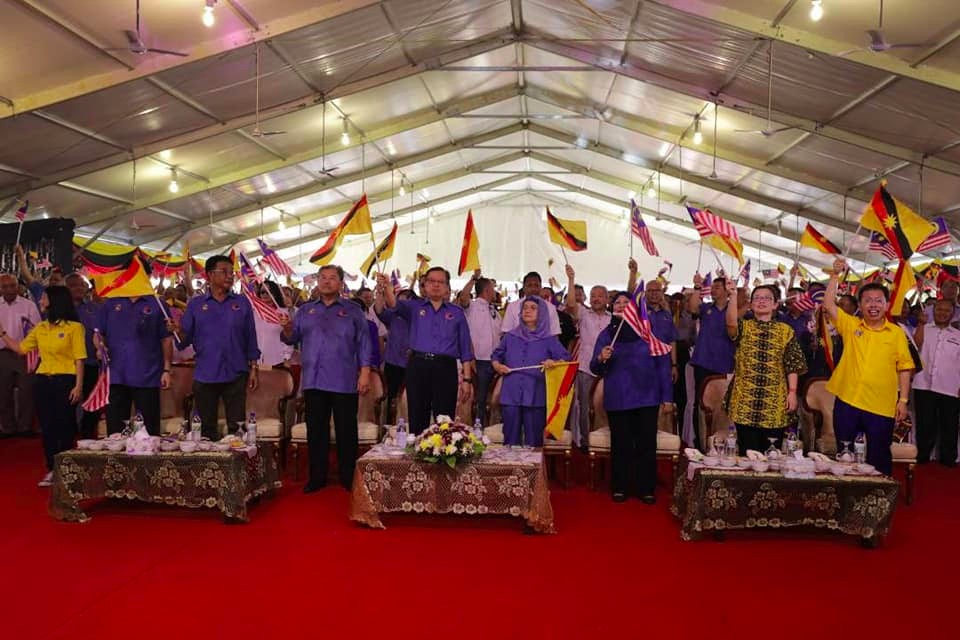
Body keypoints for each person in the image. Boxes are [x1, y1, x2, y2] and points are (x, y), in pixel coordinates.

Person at [281, 265, 373, 492]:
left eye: (332, 278)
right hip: (314, 379)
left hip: (344, 380)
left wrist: (365, 373)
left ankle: (348, 476)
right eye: (322, 277)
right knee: (316, 430)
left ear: (341, 283)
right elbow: (291, 338)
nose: (326, 281)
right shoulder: (306, 310)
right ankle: (317, 477)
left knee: (346, 430)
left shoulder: (353, 310)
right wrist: (287, 329)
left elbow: (364, 343)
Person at [823, 258, 915, 475]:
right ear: (860, 305)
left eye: (878, 301)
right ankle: (849, 491)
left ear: (887, 305)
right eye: (868, 301)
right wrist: (835, 276)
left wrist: (903, 401)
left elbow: (904, 367)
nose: (873, 305)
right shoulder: (851, 325)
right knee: (845, 454)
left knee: (879, 456)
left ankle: (879, 493)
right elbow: (828, 305)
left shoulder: (896, 333)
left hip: (881, 405)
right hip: (848, 400)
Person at [591, 291, 673, 504]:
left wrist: (667, 397)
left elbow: (663, 366)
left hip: (647, 396)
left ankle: (646, 488)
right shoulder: (607, 334)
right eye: (617, 303)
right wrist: (601, 357)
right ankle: (621, 486)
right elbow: (595, 368)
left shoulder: (649, 331)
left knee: (646, 444)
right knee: (621, 444)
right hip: (618, 397)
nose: (621, 305)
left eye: (626, 302)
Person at [0, 286, 85, 487]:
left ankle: (66, 468)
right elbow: (21, 348)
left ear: (54, 301)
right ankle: (51, 468)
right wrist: (2, 333)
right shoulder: (40, 328)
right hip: (43, 381)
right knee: (47, 427)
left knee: (64, 426)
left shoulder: (74, 327)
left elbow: (79, 358)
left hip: (65, 381)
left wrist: (78, 386)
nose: (40, 301)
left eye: (44, 298)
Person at [169, 255, 260, 440]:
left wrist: (254, 368)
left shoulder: (242, 303)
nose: (230, 276)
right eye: (224, 272)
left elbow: (250, 337)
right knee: (206, 429)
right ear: (210, 275)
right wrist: (177, 330)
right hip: (205, 373)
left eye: (231, 272)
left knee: (237, 428)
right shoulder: (196, 304)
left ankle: (236, 458)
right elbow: (184, 340)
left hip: (236, 372)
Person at [375, 267, 474, 434]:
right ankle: (417, 449)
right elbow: (393, 304)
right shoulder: (413, 307)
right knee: (417, 416)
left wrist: (467, 380)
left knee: (444, 421)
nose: (436, 285)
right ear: (425, 285)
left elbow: (465, 348)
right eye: (432, 281)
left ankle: (444, 449)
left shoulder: (456, 313)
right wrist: (387, 287)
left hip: (446, 367)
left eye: (441, 282)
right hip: (418, 366)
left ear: (447, 287)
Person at [723, 282, 807, 454]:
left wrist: (792, 392)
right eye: (757, 298)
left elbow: (792, 364)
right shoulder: (744, 327)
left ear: (775, 304)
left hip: (775, 401)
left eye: (767, 298)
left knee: (772, 454)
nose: (761, 301)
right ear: (751, 304)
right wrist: (732, 295)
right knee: (748, 453)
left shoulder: (786, 331)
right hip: (745, 400)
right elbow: (730, 323)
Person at [491, 297, 568, 446]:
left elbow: (566, 359)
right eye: (525, 308)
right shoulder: (510, 336)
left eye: (533, 308)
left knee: (533, 443)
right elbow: (496, 356)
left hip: (536, 395)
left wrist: (553, 363)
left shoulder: (549, 339)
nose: (527, 311)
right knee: (510, 442)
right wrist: (498, 366)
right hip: (511, 394)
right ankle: (511, 462)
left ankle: (534, 463)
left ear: (542, 313)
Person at [97, 295, 173, 435]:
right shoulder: (110, 303)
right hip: (116, 375)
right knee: (115, 433)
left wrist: (166, 370)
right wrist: (100, 347)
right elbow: (98, 334)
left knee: (149, 433)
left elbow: (166, 339)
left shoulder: (157, 304)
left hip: (148, 376)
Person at [687, 273, 735, 449]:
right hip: (703, 362)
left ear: (726, 290)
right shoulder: (706, 308)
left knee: (724, 404)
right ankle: (700, 443)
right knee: (701, 403)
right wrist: (697, 287)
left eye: (717, 287)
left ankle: (723, 441)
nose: (713, 290)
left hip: (725, 364)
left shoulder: (733, 310)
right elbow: (693, 308)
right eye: (712, 287)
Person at [564, 264, 609, 450]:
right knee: (585, 406)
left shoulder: (612, 318)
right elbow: (570, 305)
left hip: (608, 370)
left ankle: (604, 440)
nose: (596, 299)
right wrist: (571, 279)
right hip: (585, 369)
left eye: (600, 296)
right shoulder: (583, 314)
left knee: (605, 405)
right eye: (593, 296)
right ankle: (586, 442)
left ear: (607, 299)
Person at [912, 299, 960, 467]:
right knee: (925, 423)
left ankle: (948, 460)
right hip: (923, 384)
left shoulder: (957, 335)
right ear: (933, 311)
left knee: (950, 424)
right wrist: (920, 324)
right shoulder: (923, 329)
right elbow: (915, 347)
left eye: (947, 311)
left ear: (952, 314)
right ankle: (923, 457)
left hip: (950, 386)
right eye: (939, 309)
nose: (942, 313)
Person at [458, 271, 501, 425]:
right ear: (487, 290)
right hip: (478, 361)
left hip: (494, 362)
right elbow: (463, 297)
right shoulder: (472, 306)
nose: (495, 292)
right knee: (479, 399)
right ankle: (478, 428)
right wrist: (473, 279)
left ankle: (491, 427)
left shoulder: (495, 311)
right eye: (493, 289)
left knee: (493, 399)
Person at [0, 272, 41, 438]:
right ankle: (7, 428)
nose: (9, 289)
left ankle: (25, 427)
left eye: (12, 286)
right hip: (3, 354)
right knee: (3, 393)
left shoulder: (28, 305)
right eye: (5, 286)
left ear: (18, 286)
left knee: (27, 392)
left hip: (25, 354)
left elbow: (37, 329)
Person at [65, 273, 103, 439]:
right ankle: (69, 433)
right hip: (67, 364)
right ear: (66, 288)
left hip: (91, 362)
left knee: (91, 399)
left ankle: (88, 434)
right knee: (68, 401)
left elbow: (102, 332)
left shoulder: (95, 309)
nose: (79, 288)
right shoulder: (60, 310)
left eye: (81, 285)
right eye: (74, 285)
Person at [379, 288, 414, 420]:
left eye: (404, 302)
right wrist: (380, 291)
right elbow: (379, 310)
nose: (399, 304)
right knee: (391, 399)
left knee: (410, 399)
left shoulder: (416, 316)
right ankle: (390, 426)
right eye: (398, 300)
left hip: (411, 364)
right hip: (392, 362)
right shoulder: (392, 314)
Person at [501, 271, 561, 336]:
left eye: (536, 285)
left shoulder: (550, 308)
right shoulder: (512, 307)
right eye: (529, 285)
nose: (533, 289)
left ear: (541, 288)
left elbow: (554, 334)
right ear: (524, 288)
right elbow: (506, 332)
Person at [254, 280, 295, 368]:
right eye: (262, 292)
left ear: (275, 293)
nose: (265, 294)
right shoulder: (254, 312)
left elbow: (288, 336)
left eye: (269, 291)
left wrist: (287, 356)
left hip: (277, 360)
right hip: (257, 360)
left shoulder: (283, 313)